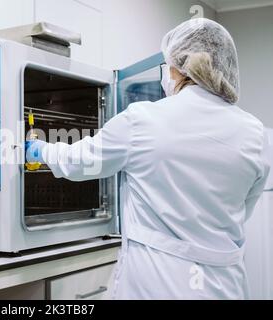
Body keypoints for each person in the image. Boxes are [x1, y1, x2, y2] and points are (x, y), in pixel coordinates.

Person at [25, 18, 270, 300]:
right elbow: (243, 209)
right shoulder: (256, 133)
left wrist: (40, 149)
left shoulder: (144, 120)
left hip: (159, 283)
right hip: (225, 286)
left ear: (178, 68)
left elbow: (80, 161)